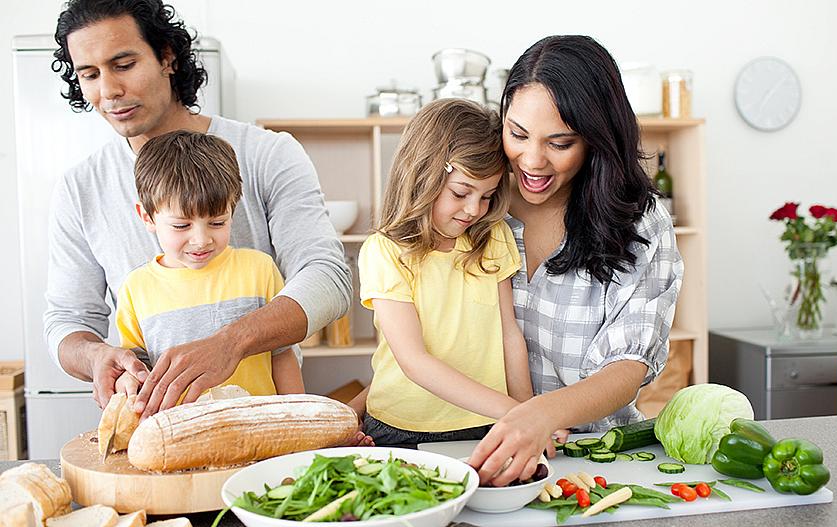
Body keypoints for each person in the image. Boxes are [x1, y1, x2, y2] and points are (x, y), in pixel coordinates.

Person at [46, 0, 351, 415]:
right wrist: (95, 356)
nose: (108, 91)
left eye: (124, 64)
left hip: (261, 417)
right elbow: (67, 320)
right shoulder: (79, 188)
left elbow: (328, 279)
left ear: (167, 58)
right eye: (90, 74)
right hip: (162, 423)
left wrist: (230, 343)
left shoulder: (267, 153)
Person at [468, 35, 684, 485]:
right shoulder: (475, 204)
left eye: (559, 143)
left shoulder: (640, 223)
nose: (532, 160)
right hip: (476, 453)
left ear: (597, 138)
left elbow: (627, 368)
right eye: (517, 134)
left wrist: (539, 416)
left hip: (598, 462)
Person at [354, 98, 533, 444]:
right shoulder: (384, 251)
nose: (473, 210)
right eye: (461, 193)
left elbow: (509, 334)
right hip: (401, 428)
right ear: (422, 177)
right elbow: (414, 362)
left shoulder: (492, 237)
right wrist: (515, 412)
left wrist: (529, 411)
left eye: (486, 196)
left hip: (486, 423)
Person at [112, 130, 302, 399]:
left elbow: (282, 356)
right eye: (181, 225)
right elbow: (137, 373)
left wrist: (297, 419)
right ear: (147, 216)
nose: (201, 241)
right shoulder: (136, 288)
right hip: (181, 434)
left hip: (260, 431)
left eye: (217, 223)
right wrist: (125, 384)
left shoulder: (260, 270)